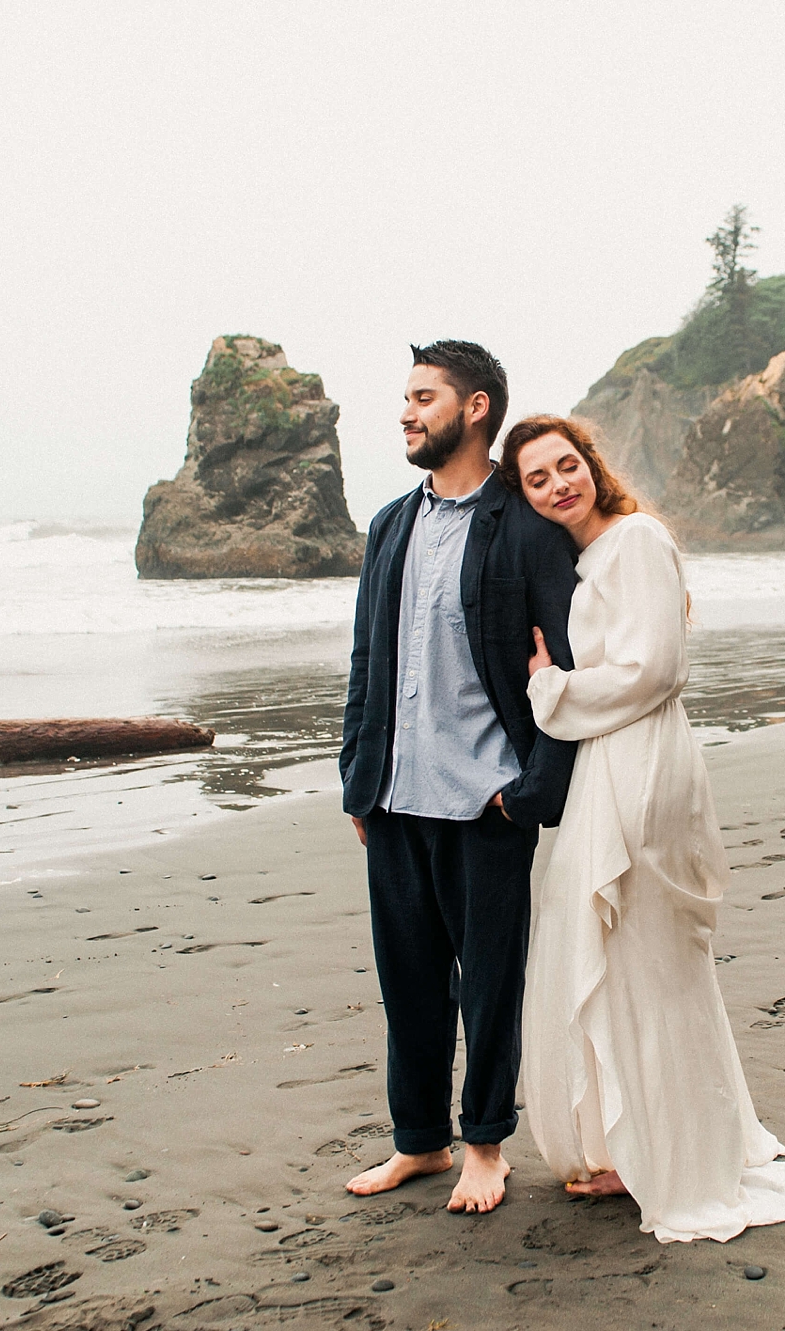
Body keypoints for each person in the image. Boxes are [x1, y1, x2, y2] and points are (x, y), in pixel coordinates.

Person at [501, 414, 785, 1243]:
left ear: (592, 463)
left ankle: (669, 1151)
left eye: (566, 465)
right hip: (609, 764)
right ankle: (630, 1140)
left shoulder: (638, 539)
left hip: (643, 770)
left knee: (644, 959)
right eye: (537, 479)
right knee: (616, 958)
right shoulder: (592, 556)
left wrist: (551, 693)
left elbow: (659, 670)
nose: (557, 484)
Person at [339, 343, 580, 1214]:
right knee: (407, 988)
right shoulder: (389, 526)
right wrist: (355, 777)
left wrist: (531, 791)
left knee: (487, 987)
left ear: (475, 408)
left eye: (422, 397)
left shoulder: (524, 529)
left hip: (485, 801)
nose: (406, 413)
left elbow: (569, 666)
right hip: (394, 801)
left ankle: (485, 1144)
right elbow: (369, 658)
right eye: (405, 398)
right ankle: (421, 1143)